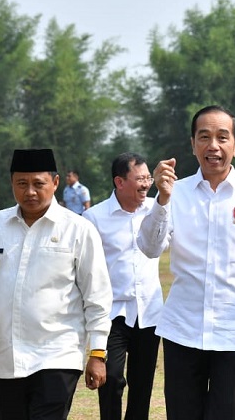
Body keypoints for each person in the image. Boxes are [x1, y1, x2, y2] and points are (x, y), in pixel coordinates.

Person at [137, 105, 235, 420]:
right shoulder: (175, 193)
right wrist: (161, 200)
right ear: (193, 144)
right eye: (204, 137)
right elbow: (149, 248)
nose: (213, 146)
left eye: (222, 137)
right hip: (182, 330)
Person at [0, 149, 113, 420]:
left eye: (38, 183)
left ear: (55, 182)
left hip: (58, 354)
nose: (30, 192)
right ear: (12, 183)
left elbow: (96, 295)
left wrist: (97, 352)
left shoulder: (78, 229)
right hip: (6, 358)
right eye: (22, 183)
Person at [82, 153, 163, 420]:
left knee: (142, 384)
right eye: (140, 179)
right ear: (119, 182)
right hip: (111, 313)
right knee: (112, 378)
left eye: (148, 178)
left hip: (148, 311)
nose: (146, 184)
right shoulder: (94, 218)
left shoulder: (156, 209)